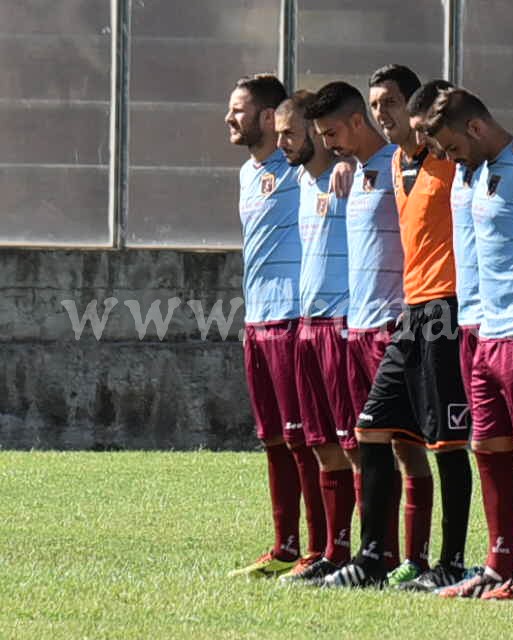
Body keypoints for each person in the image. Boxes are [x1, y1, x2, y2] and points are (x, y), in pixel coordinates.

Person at [426, 88, 513, 600]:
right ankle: (498, 562)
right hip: (478, 330)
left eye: (452, 146)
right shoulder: (471, 174)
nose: (448, 157)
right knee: (488, 449)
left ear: (477, 129)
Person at [359, 65, 474, 592]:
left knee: (448, 442)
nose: (381, 115)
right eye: (374, 105)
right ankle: (373, 559)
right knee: (371, 427)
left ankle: (450, 562)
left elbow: (487, 143)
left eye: (389, 104)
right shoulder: (393, 162)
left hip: (448, 309)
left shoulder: (448, 158)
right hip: (411, 310)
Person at [304, 81, 405, 586]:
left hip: (394, 326)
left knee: (405, 447)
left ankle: (406, 558)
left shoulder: (398, 164)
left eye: (333, 133)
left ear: (357, 121)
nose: (329, 144)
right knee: (361, 442)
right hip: (356, 328)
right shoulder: (356, 171)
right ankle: (374, 555)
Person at [224, 74, 317, 578]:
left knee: (303, 437)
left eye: (238, 110)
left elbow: (345, 157)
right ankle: (285, 543)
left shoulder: (302, 166)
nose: (228, 119)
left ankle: (319, 548)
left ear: (267, 116)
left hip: (293, 317)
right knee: (273, 439)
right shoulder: (246, 173)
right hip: (257, 321)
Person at [272, 90, 360, 583]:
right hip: (306, 324)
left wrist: (348, 160)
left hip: (343, 325)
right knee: (319, 441)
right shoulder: (302, 181)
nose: (281, 142)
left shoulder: (347, 175)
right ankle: (331, 550)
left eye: (290, 133)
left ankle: (371, 552)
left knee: (353, 443)